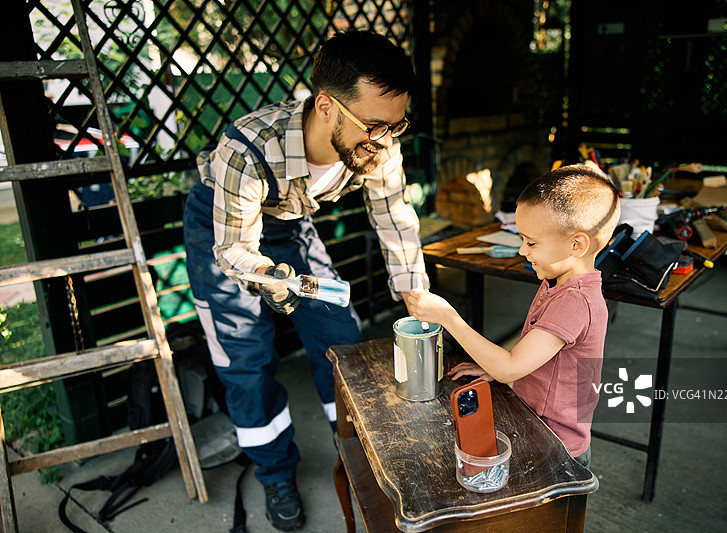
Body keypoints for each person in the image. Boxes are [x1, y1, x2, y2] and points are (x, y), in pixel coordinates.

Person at [183, 30, 428, 531]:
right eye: (376, 125)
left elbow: (394, 219)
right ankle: (275, 471)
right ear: (326, 106)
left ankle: (358, 452)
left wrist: (416, 296)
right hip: (221, 225)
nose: (386, 139)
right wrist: (267, 277)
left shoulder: (379, 143)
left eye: (397, 124)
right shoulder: (247, 148)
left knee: (341, 335)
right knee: (244, 352)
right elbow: (234, 250)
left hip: (291, 223)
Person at [408, 165, 620, 468]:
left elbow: (511, 368)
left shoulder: (575, 301)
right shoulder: (558, 282)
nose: (522, 251)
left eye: (531, 242)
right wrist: (496, 369)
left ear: (577, 244)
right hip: (535, 425)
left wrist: (448, 318)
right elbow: (532, 358)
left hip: (556, 449)